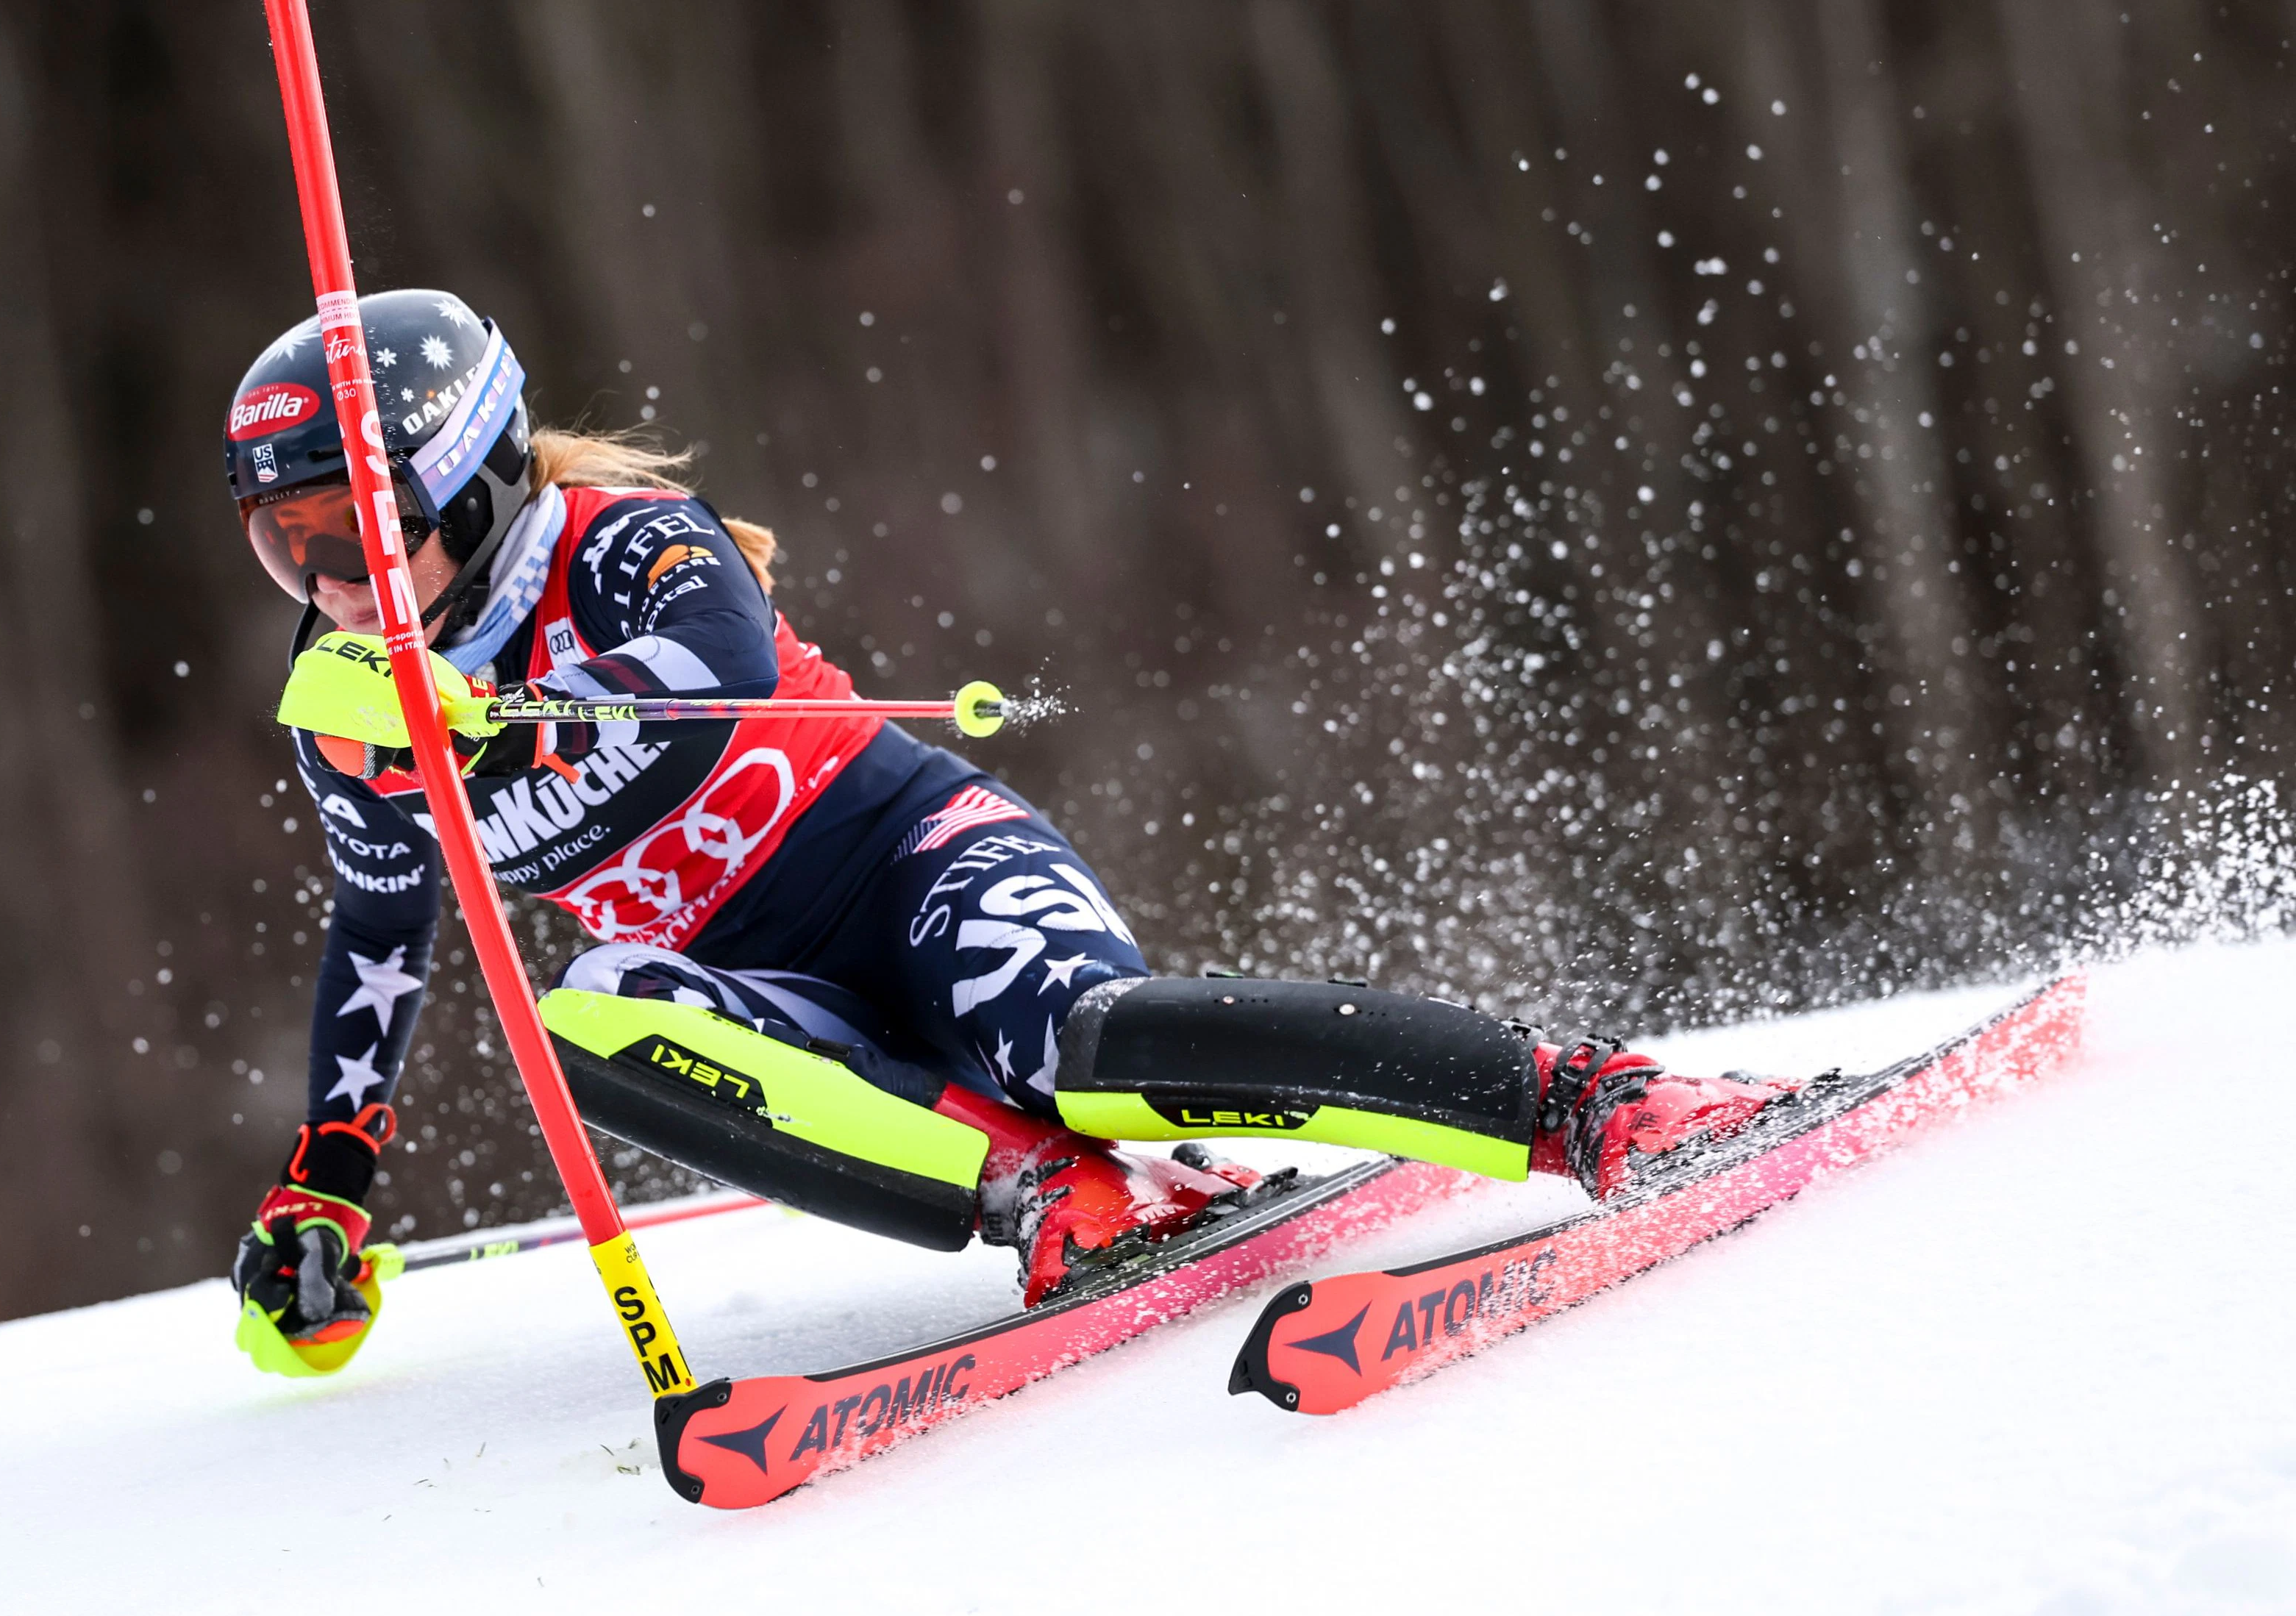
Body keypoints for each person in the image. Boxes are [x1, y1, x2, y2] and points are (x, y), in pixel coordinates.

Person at [227, 290, 1789, 1373]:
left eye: (352, 529)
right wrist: (325, 1186)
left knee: (1079, 1047)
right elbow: (380, 935)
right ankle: (1054, 1197)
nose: (331, 585)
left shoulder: (620, 540)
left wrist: (492, 729)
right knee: (590, 1019)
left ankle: (1579, 1099)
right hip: (766, 991)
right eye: (282, 544)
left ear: (475, 475)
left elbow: (714, 673)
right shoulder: (350, 709)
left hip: (910, 865)